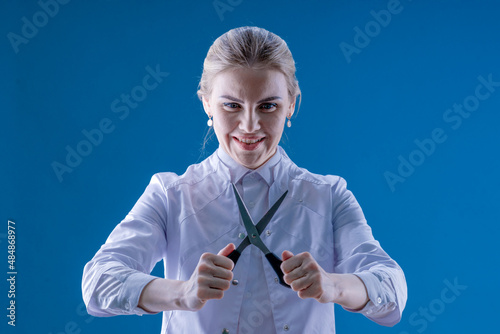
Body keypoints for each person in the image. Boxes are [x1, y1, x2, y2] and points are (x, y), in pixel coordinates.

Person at [82, 26, 407, 333]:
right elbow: (97, 283)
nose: (249, 125)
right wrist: (182, 293)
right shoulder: (170, 195)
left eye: (268, 106)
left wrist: (333, 286)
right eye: (231, 106)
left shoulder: (330, 197)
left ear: (291, 104)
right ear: (207, 103)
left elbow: (392, 292)